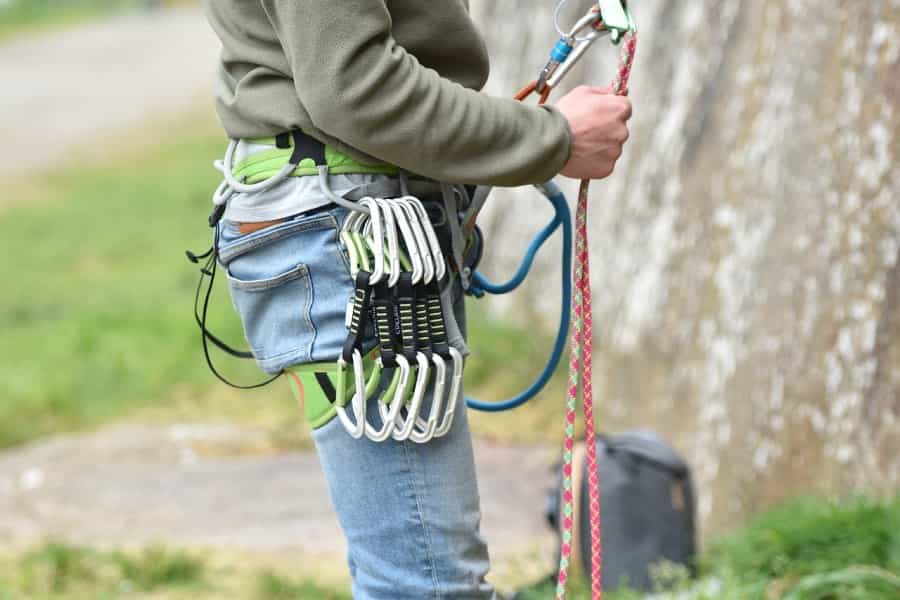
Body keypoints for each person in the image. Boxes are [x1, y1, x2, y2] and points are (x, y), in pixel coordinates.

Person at [201, 2, 631, 598]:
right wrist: (550, 138)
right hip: (349, 225)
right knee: (426, 581)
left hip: (360, 217)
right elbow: (354, 87)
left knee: (415, 574)